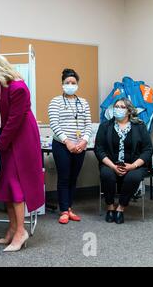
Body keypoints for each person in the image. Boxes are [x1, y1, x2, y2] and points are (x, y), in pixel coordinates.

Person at [0, 55, 44, 252]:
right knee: (6, 184)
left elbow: (13, 124)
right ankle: (12, 229)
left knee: (16, 186)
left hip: (22, 140)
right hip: (9, 139)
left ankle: (21, 232)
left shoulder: (18, 88)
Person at [95, 98, 153, 224]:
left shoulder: (139, 126)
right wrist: (112, 166)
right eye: (116, 106)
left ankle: (121, 207)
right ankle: (110, 206)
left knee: (133, 177)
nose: (118, 109)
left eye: (122, 107)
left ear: (129, 111)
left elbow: (148, 150)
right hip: (110, 164)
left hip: (135, 165)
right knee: (107, 174)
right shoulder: (105, 126)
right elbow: (99, 149)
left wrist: (132, 166)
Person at [48, 69, 92, 224]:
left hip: (80, 146)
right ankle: (64, 210)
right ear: (62, 84)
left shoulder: (84, 103)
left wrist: (84, 141)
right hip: (62, 145)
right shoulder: (56, 101)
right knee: (64, 177)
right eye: (67, 83)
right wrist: (67, 141)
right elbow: (54, 123)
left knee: (74, 178)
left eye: (73, 83)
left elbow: (88, 124)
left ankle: (70, 208)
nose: (70, 85)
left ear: (77, 84)